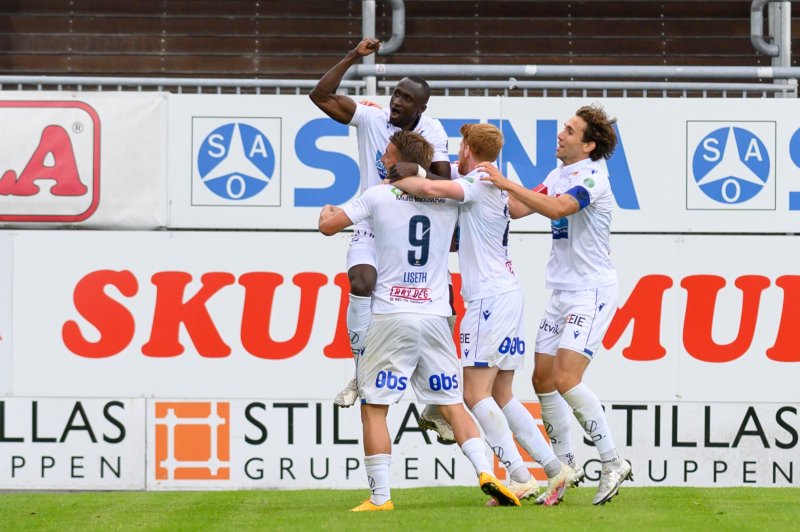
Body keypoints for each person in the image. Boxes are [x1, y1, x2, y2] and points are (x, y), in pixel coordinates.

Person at [318, 131, 520, 511]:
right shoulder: (447, 200)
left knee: (374, 407)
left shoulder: (377, 194)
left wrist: (325, 210)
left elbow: (329, 226)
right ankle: (486, 471)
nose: (381, 155)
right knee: (452, 405)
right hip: (436, 317)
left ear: (396, 160)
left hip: (392, 314)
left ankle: (381, 498)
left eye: (387, 151)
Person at [388, 123, 576, 506]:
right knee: (503, 394)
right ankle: (556, 469)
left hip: (488, 299)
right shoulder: (488, 181)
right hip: (508, 293)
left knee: (474, 394)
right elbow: (439, 177)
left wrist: (392, 182)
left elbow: (428, 188)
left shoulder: (477, 183)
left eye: (461, 146)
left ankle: (519, 476)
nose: (457, 152)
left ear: (469, 148)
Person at [478, 104, 633, 505]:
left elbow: (561, 208)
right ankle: (565, 468)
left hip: (592, 291)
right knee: (542, 379)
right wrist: (478, 184)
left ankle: (613, 461)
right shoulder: (557, 174)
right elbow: (518, 208)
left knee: (566, 378)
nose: (560, 134)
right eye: (564, 127)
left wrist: (507, 183)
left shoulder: (593, 178)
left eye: (570, 130)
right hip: (562, 291)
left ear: (589, 144)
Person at [309, 38, 455, 443]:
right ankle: (359, 376)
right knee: (361, 283)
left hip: (410, 234)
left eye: (406, 99)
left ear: (420, 109)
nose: (396, 102)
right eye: (395, 94)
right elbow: (319, 95)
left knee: (438, 310)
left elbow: (446, 184)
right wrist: (355, 57)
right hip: (373, 220)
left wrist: (418, 173)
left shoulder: (433, 132)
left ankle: (437, 405)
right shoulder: (371, 119)